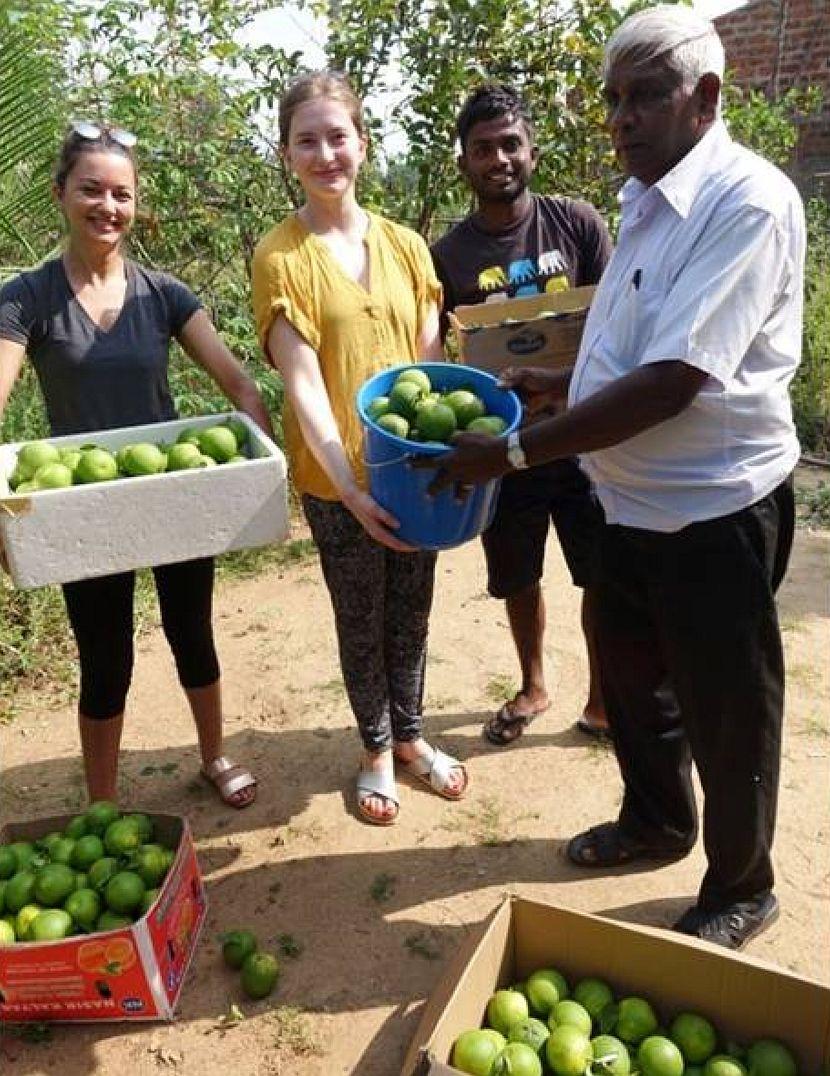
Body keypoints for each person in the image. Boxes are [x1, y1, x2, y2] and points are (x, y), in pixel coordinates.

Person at [418, 4, 803, 949]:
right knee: (631, 676)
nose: (622, 118)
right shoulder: (642, 198)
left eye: (643, 97)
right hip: (629, 502)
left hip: (715, 508)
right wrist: (562, 380)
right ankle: (656, 821)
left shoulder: (746, 203)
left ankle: (743, 884)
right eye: (613, 100)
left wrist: (508, 453)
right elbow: (630, 334)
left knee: (728, 705)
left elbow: (675, 378)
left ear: (704, 98)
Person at [0, 122, 276, 809]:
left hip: (169, 492)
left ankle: (214, 755)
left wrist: (263, 470)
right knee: (104, 657)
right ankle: (102, 801)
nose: (107, 206)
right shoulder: (26, 297)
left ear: (136, 203)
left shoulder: (164, 293)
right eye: (91, 189)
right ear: (61, 192)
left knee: (192, 630)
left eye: (121, 194)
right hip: (79, 506)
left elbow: (238, 386)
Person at [251, 71, 467, 826]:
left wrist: (429, 466)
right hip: (334, 476)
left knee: (412, 609)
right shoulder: (280, 257)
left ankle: (411, 737)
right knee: (361, 614)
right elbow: (302, 385)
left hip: (414, 475)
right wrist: (350, 489)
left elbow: (430, 370)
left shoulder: (408, 247)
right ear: (286, 154)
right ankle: (375, 749)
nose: (324, 153)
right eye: (306, 140)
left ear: (363, 145)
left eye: (337, 136)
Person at [431, 83, 613, 746]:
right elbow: (439, 358)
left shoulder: (577, 224)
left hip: (586, 437)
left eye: (511, 144)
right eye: (484, 149)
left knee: (602, 570)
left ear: (531, 151)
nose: (499, 158)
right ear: (464, 163)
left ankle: (602, 699)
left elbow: (619, 322)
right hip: (501, 446)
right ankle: (533, 684)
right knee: (517, 573)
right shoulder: (447, 256)